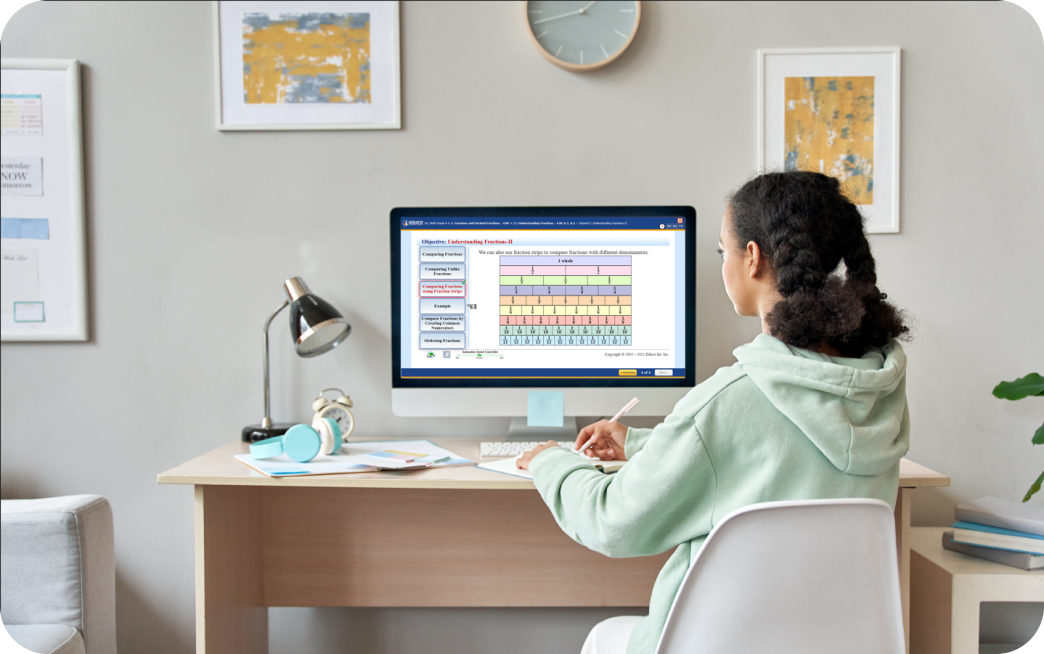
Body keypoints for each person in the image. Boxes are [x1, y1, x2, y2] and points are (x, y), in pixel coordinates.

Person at [517, 170, 911, 654]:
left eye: (722, 251)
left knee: (605, 637)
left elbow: (612, 521)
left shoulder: (733, 398)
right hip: (827, 643)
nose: (722, 264)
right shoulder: (876, 388)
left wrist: (549, 462)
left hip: (711, 643)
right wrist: (639, 443)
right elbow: (767, 454)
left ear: (752, 258)